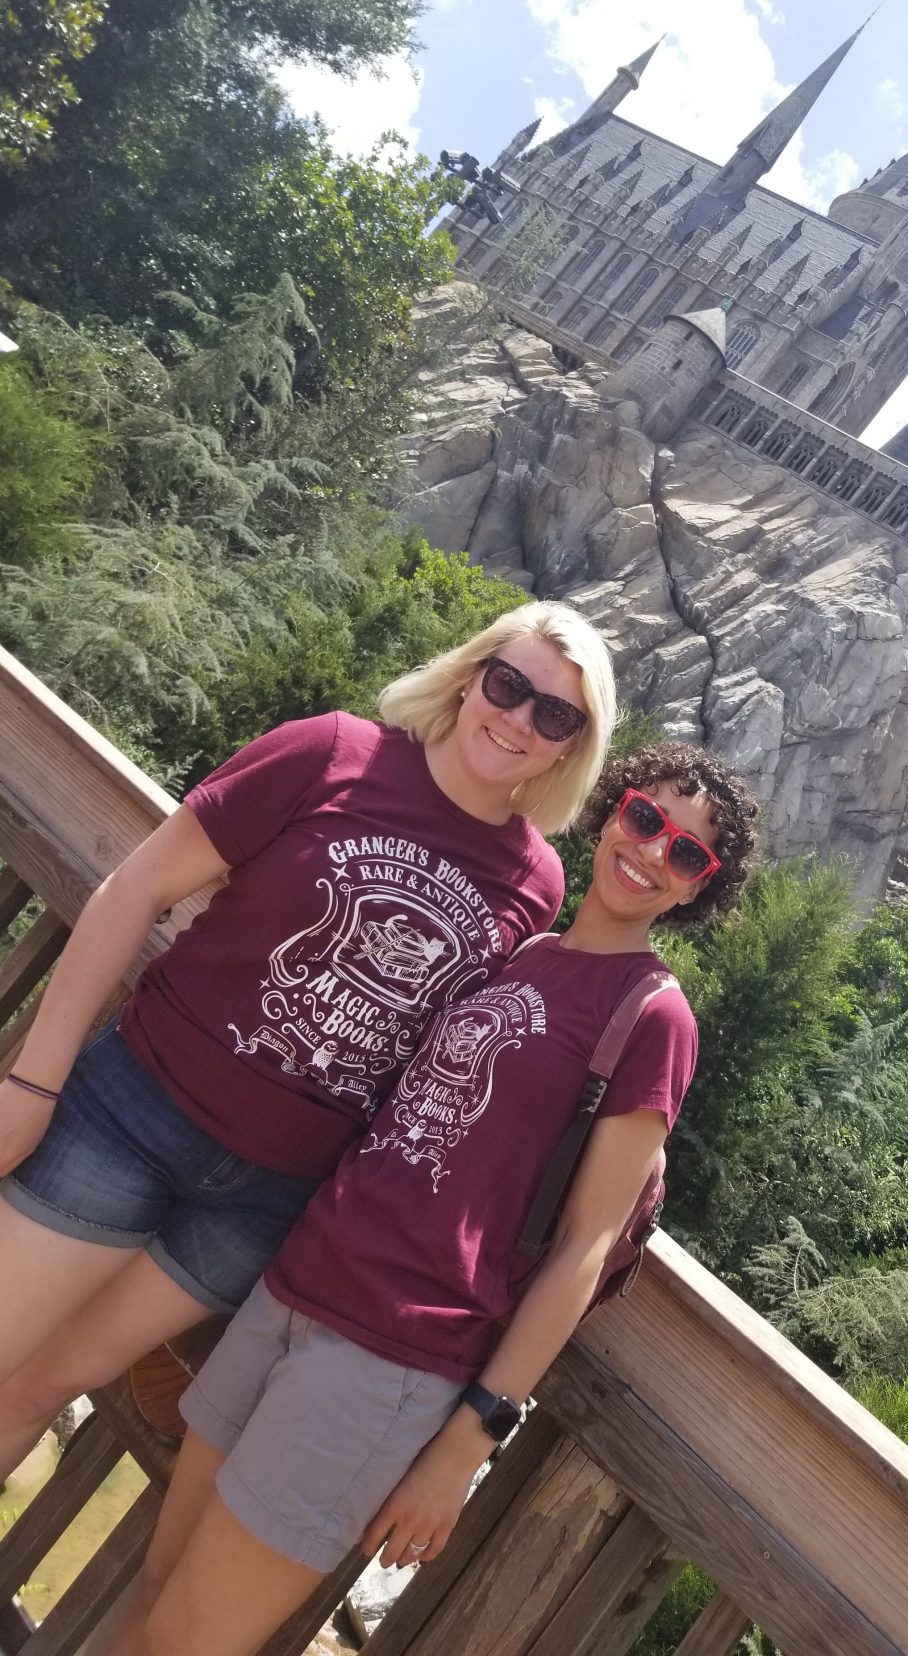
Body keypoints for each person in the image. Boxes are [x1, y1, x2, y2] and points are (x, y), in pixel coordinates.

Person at [109, 743, 758, 1656]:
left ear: (698, 891)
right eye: (647, 818)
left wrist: (465, 1447)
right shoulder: (526, 953)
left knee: (184, 1641)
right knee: (153, 1597)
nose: (652, 852)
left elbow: (583, 1248)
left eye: (687, 854)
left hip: (389, 1361)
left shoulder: (654, 1017)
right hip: (294, 1287)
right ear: (615, 810)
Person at [0, 601, 617, 1482]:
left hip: (263, 1201)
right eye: (508, 684)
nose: (517, 719)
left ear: (570, 747)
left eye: (553, 713)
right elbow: (136, 889)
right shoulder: (331, 752)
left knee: (37, 1390)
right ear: (471, 675)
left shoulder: (537, 882)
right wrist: (32, 1083)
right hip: (134, 1115)